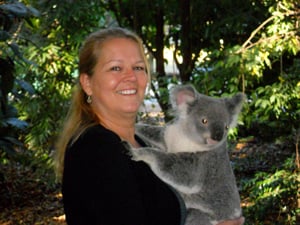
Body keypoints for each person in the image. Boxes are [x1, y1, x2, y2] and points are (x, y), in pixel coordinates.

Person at [55, 27, 245, 225]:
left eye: (138, 67)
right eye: (116, 68)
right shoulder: (95, 147)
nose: (130, 77)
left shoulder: (140, 142)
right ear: (87, 83)